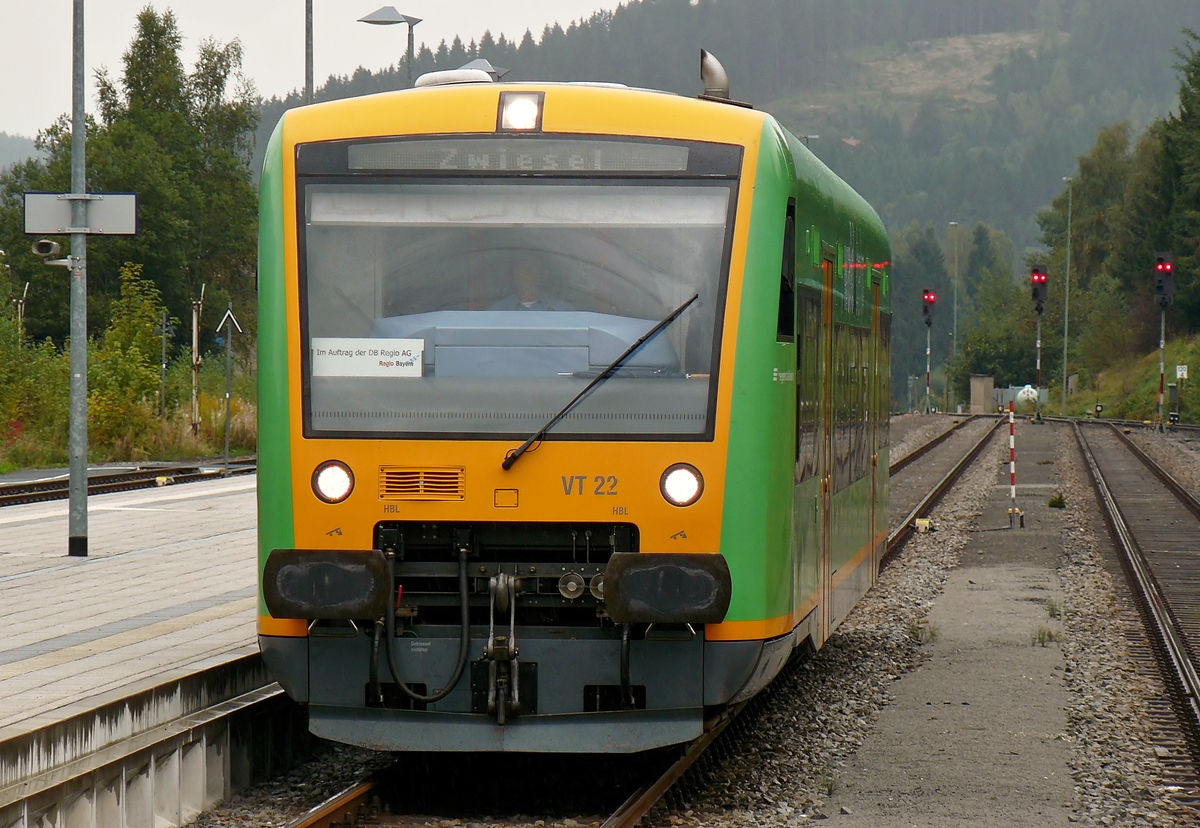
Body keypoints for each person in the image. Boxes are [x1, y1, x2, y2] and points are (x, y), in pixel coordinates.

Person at [490, 251, 573, 311]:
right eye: (522, 266)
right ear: (513, 273)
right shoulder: (499, 310)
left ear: (544, 274)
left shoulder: (562, 309)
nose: (527, 272)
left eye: (533, 266)